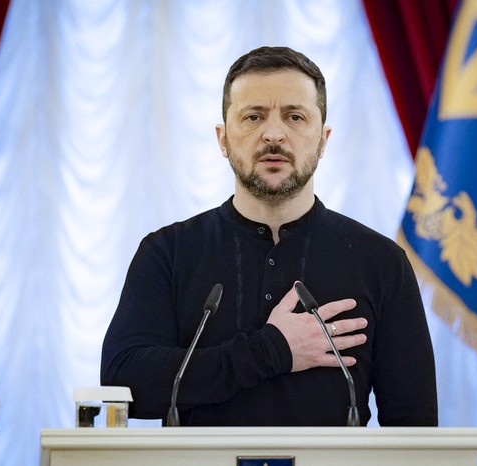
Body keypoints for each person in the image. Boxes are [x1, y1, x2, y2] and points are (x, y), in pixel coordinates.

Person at [101, 46, 437, 427]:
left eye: (295, 117)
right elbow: (124, 384)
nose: (273, 134)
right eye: (253, 117)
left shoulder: (382, 262)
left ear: (324, 140)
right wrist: (273, 349)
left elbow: (415, 426)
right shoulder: (167, 253)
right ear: (223, 138)